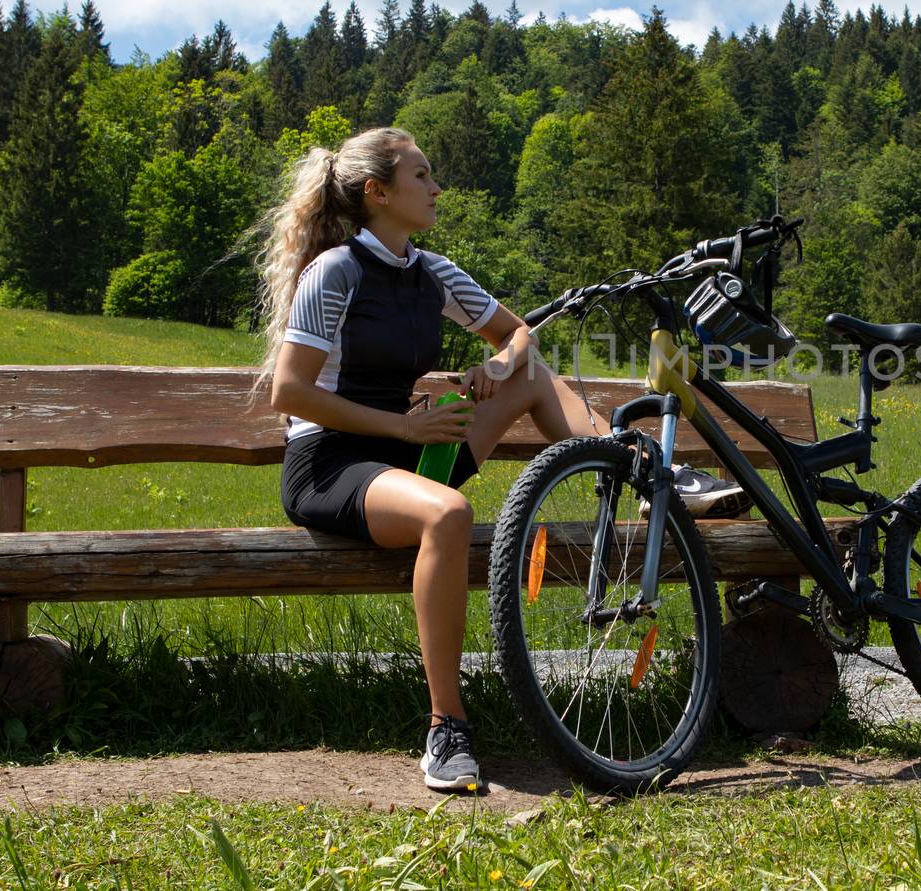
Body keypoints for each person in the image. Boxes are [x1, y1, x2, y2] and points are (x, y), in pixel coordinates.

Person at [255, 126, 747, 792]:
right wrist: (403, 427)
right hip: (334, 465)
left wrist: (497, 361)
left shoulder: (430, 272)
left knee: (532, 373)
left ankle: (645, 470)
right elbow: (290, 392)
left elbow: (519, 332)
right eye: (422, 175)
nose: (436, 187)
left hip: (410, 452)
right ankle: (446, 727)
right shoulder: (336, 271)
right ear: (378, 191)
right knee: (449, 513)